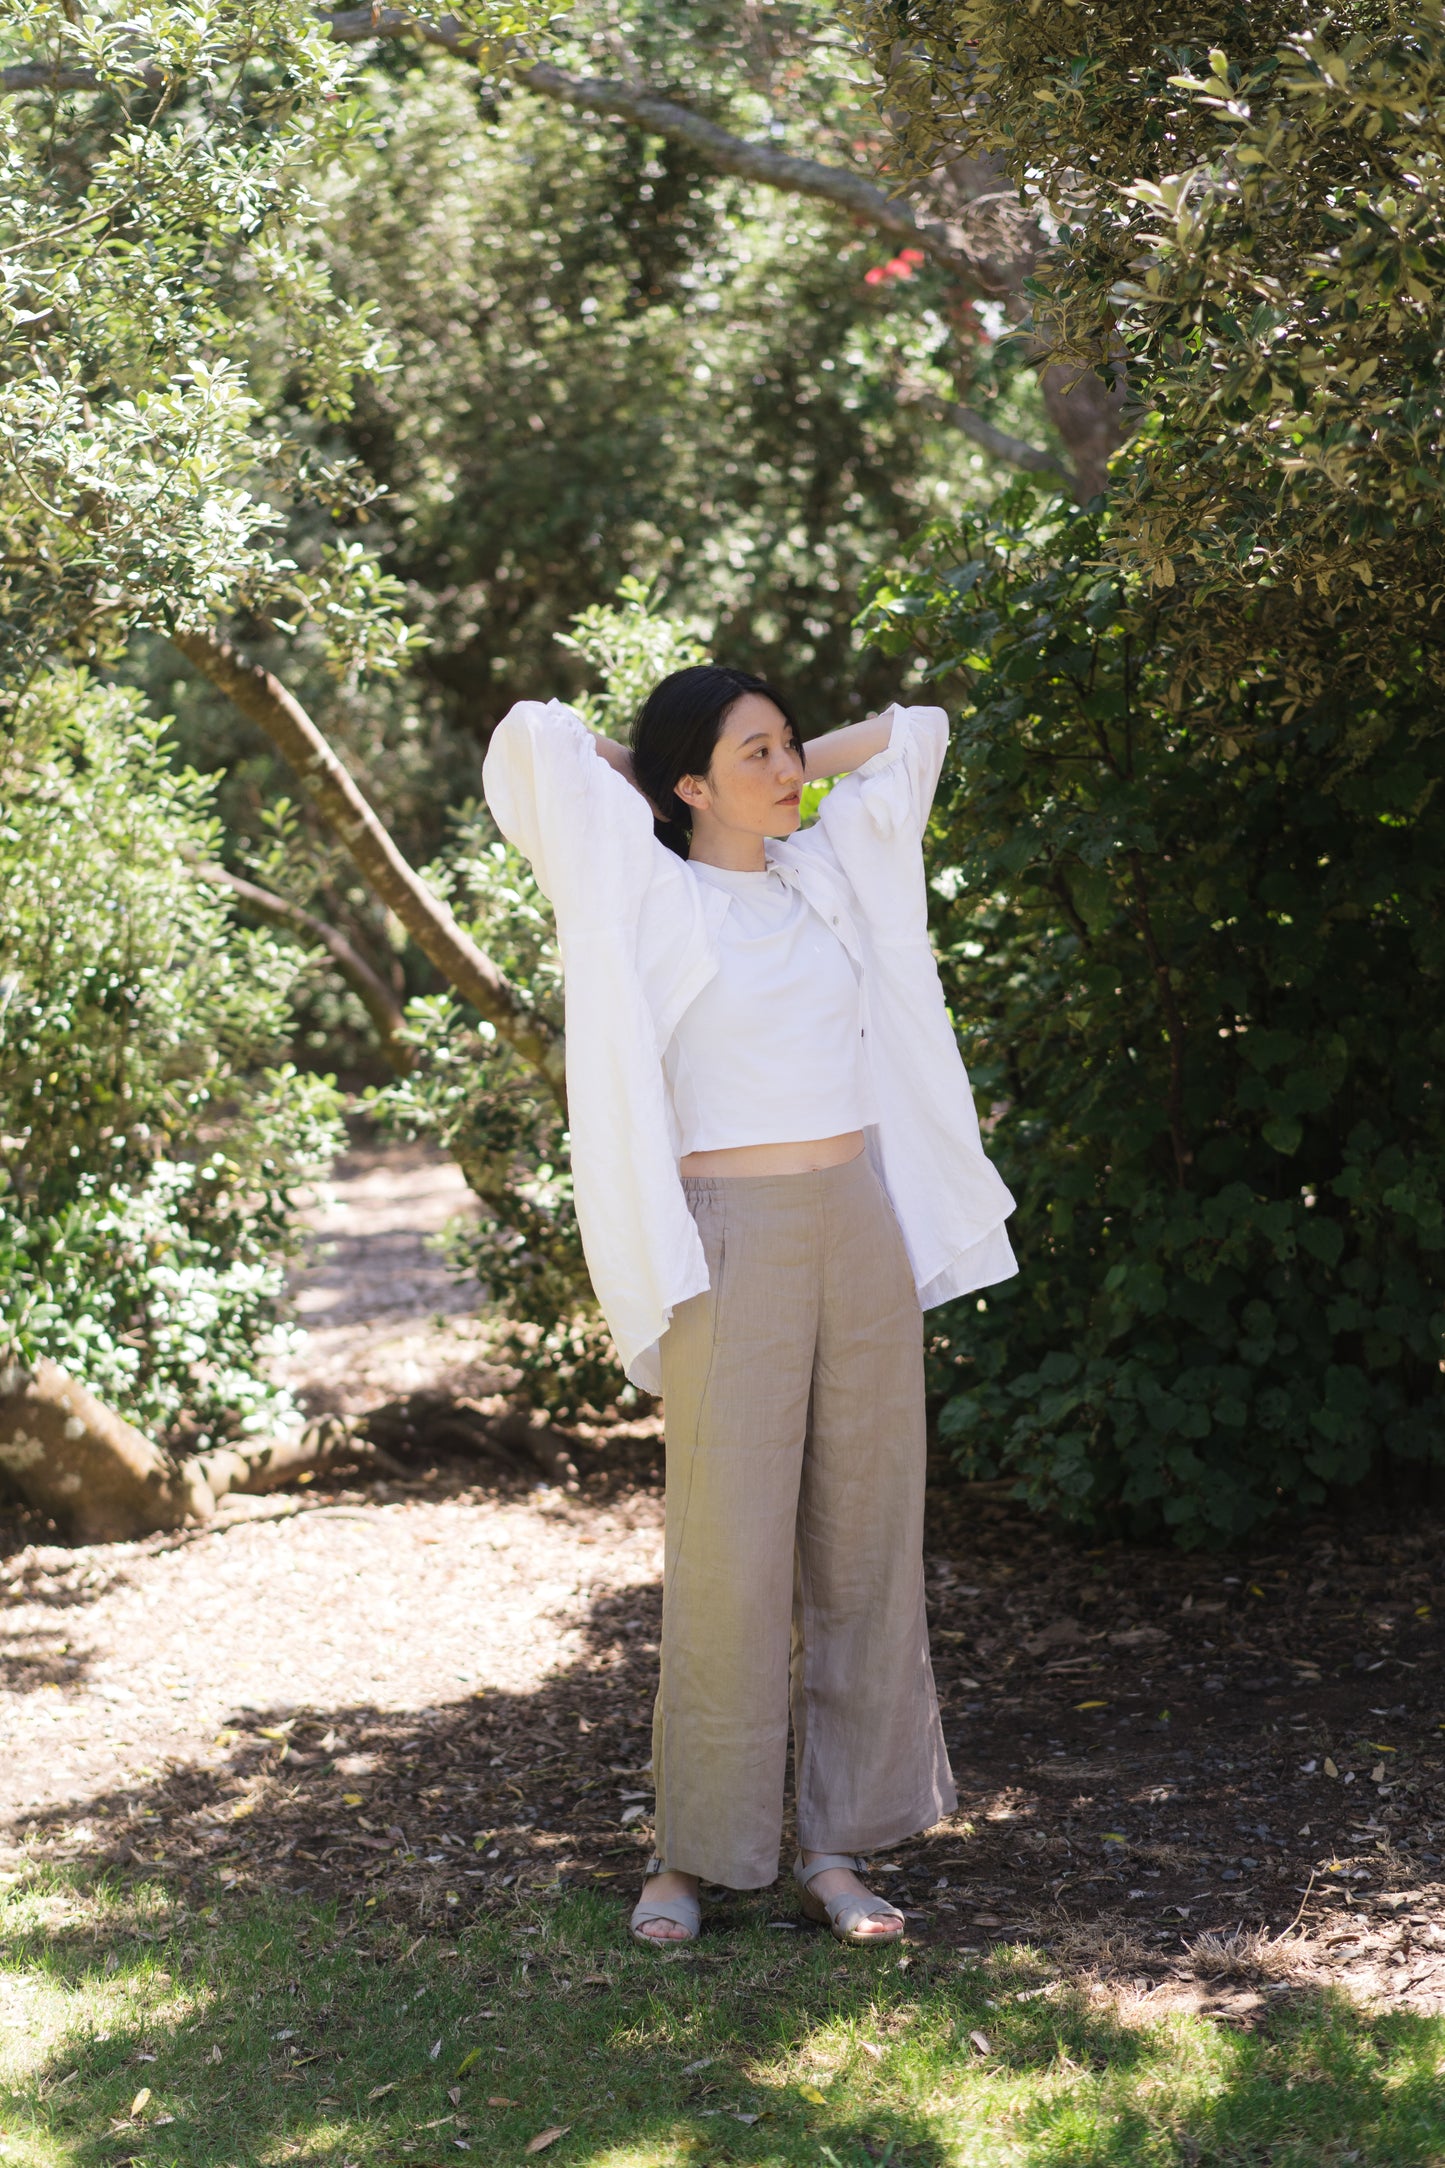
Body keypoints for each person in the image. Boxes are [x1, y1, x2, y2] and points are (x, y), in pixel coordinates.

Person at [482, 666, 1016, 1947]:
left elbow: (915, 734)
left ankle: (840, 1842)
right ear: (683, 784)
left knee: (865, 1536)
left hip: (858, 1224)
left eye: (788, 745)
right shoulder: (651, 894)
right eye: (757, 754)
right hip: (731, 1239)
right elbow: (535, 745)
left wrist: (765, 763)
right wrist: (665, 765)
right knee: (725, 1552)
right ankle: (693, 1851)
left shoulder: (829, 877)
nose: (791, 772)